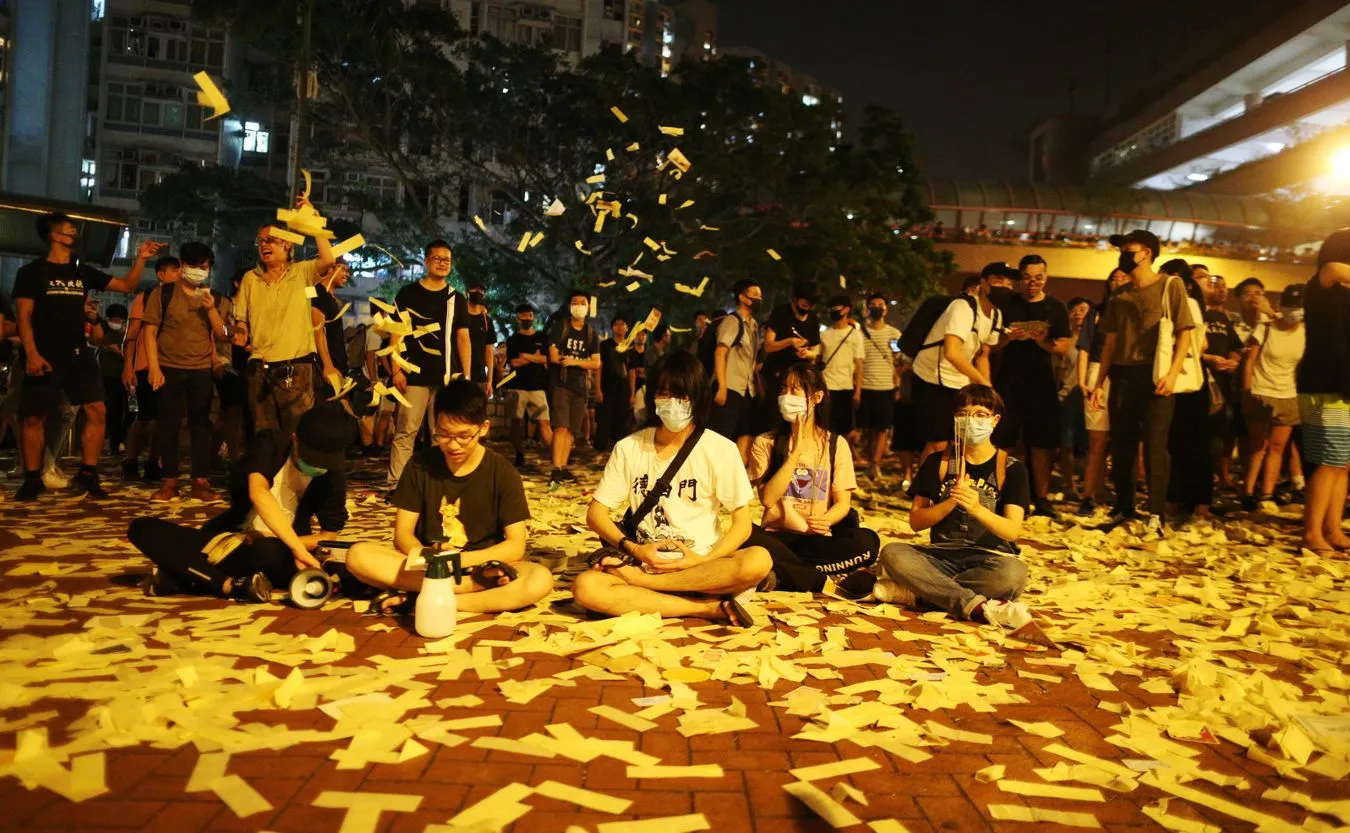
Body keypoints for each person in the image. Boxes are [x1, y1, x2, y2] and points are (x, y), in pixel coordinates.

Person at [573, 352, 771, 626]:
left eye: (682, 396)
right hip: (642, 561)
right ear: (653, 397)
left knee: (758, 560)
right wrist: (635, 550)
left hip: (701, 564)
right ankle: (706, 608)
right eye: (664, 394)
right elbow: (595, 514)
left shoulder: (720, 449)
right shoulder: (629, 448)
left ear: (698, 398)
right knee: (586, 587)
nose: (673, 404)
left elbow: (742, 523)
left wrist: (704, 559)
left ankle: (647, 589)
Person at [346, 380, 553, 614]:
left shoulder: (503, 473)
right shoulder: (419, 466)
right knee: (358, 556)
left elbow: (516, 545)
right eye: (443, 435)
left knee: (539, 578)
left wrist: (459, 561)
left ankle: (424, 601)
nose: (453, 445)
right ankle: (465, 591)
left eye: (464, 436)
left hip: (483, 566)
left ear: (483, 428)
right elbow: (403, 534)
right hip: (432, 567)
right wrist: (431, 559)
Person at [126, 405, 352, 602]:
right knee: (143, 528)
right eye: (312, 459)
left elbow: (329, 536)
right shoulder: (272, 444)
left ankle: (206, 581)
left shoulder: (331, 474)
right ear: (294, 440)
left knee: (272, 553)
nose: (317, 467)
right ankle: (215, 582)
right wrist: (261, 540)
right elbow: (258, 493)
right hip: (230, 539)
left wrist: (291, 544)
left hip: (279, 553)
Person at [11, 212, 163, 501]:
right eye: (69, 228)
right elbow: (24, 316)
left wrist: (141, 257)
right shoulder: (32, 272)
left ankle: (88, 474)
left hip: (78, 353)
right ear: (55, 235)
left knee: (97, 410)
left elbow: (127, 286)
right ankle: (32, 477)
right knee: (33, 417)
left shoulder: (82, 271)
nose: (74, 232)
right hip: (43, 352)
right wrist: (30, 353)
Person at [874, 384, 1031, 629]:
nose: (971, 421)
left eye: (980, 414)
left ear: (995, 420)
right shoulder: (939, 462)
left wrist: (977, 508)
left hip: (989, 558)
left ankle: (921, 594)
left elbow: (1012, 531)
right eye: (963, 414)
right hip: (940, 555)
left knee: (1013, 575)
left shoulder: (1010, 468)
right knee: (893, 553)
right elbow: (916, 522)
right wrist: (950, 502)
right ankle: (976, 606)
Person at [1089, 230, 1196, 533]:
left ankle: (1156, 512)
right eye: (1121, 249)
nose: (1123, 254)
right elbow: (1109, 342)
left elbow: (1185, 332)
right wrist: (1099, 382)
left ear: (1147, 252)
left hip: (1155, 374)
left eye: (1129, 249)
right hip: (1123, 375)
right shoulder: (1119, 297)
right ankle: (1124, 507)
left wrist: (1173, 373)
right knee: (1121, 445)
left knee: (1155, 446)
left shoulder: (1169, 287)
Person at [745, 362, 880, 598]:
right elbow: (767, 499)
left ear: (816, 397)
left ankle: (784, 575)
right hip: (777, 538)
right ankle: (819, 580)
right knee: (745, 534)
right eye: (784, 389)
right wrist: (794, 453)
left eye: (795, 390)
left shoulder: (836, 445)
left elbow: (842, 503)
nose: (786, 396)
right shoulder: (766, 442)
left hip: (816, 541)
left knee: (868, 542)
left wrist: (826, 520)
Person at [233, 204, 337, 436]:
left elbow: (329, 259)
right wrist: (240, 331)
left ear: (287, 244)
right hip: (259, 367)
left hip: (296, 367)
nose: (264, 246)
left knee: (297, 433)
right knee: (264, 433)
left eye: (271, 240)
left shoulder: (302, 272)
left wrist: (314, 221)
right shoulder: (251, 278)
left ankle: (294, 473)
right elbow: (242, 318)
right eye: (260, 241)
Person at [143, 241, 233, 502]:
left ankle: (200, 481)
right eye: (192, 265)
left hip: (201, 369)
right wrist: (153, 367)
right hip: (168, 367)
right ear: (182, 266)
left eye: (203, 267)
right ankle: (170, 481)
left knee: (201, 427)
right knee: (168, 426)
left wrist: (211, 310)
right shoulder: (163, 294)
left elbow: (225, 335)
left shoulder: (216, 298)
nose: (197, 271)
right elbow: (149, 331)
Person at [385, 240, 473, 493]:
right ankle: (396, 486)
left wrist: (464, 377)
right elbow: (396, 333)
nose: (443, 263)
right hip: (413, 374)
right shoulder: (408, 294)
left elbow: (463, 338)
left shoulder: (456, 298)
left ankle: (438, 485)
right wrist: (397, 370)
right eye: (437, 258)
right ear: (426, 261)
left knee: (444, 433)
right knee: (406, 430)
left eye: (447, 260)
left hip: (446, 377)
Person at [992, 255, 1071, 518]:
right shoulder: (1007, 304)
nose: (1032, 283)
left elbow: (1064, 346)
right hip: (1008, 381)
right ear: (1019, 279)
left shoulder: (1055, 307)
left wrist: (1041, 340)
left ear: (1046, 278)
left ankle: (1042, 497)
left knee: (1042, 443)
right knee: (1002, 440)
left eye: (1038, 277)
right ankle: (997, 491)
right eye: (1027, 277)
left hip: (1041, 383)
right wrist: (1008, 337)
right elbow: (991, 344)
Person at [910, 263, 1008, 466]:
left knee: (958, 442)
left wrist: (986, 389)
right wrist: (982, 382)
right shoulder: (963, 307)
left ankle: (949, 487)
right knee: (937, 442)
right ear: (983, 282)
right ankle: (926, 492)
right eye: (998, 279)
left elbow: (983, 355)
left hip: (958, 380)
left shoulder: (996, 315)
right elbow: (952, 352)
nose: (1004, 285)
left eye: (1008, 281)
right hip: (931, 377)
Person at [1297, 230, 1350, 553]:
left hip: (1344, 381)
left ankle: (1333, 528)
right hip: (1324, 380)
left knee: (1343, 462)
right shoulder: (1323, 281)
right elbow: (1333, 268)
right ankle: (1311, 532)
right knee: (1329, 460)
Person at [1242, 284, 1306, 510]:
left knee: (1278, 448)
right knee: (1258, 445)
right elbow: (1249, 362)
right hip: (1261, 391)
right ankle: (1248, 491)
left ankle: (1266, 494)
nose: (1295, 312)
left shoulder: (1306, 331)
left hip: (1288, 394)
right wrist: (1248, 391)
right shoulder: (1265, 328)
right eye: (1290, 306)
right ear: (1282, 306)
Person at [1159, 260, 1213, 519]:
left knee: (1184, 444)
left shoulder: (1186, 304)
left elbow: (1196, 343)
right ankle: (1193, 502)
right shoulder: (1187, 304)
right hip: (1186, 381)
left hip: (1182, 381)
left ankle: (1183, 501)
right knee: (1188, 444)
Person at [1075, 269, 1131, 514]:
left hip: (1126, 372)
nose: (1118, 282)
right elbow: (1084, 348)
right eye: (1114, 278)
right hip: (1097, 372)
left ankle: (1116, 495)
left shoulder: (1134, 311)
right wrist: (1082, 380)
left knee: (1122, 441)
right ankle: (1087, 495)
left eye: (1124, 278)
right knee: (1097, 441)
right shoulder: (1096, 312)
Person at [120, 255, 180, 483]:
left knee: (164, 419)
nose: (179, 274)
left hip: (172, 365)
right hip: (146, 366)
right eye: (174, 270)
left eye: (180, 270)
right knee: (145, 418)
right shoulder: (145, 298)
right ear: (161, 275)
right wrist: (128, 367)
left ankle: (153, 461)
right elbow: (132, 334)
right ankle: (131, 459)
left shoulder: (184, 298)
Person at [547, 289, 601, 486]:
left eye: (582, 303)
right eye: (575, 302)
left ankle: (563, 467)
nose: (579, 306)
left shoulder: (590, 333)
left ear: (588, 307)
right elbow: (553, 356)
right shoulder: (559, 328)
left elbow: (596, 363)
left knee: (571, 430)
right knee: (560, 426)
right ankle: (556, 468)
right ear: (569, 306)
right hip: (561, 384)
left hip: (580, 386)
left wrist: (574, 361)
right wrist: (575, 361)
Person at [710, 280, 762, 461]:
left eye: (760, 296)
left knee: (746, 433)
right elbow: (720, 353)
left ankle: (736, 475)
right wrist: (722, 387)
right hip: (730, 388)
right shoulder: (732, 321)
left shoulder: (754, 325)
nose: (759, 299)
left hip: (747, 389)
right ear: (742, 297)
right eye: (755, 295)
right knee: (721, 436)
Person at [1200, 274, 1242, 490]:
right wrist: (1209, 360)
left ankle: (1224, 476)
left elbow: (1235, 345)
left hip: (1224, 382)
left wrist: (1233, 359)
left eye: (1225, 287)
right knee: (1202, 433)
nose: (1222, 290)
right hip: (1203, 380)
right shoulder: (1199, 313)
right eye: (1215, 286)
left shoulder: (1225, 318)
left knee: (1225, 431)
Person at [761, 280, 821, 427]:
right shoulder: (781, 313)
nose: (807, 307)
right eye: (804, 302)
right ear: (795, 298)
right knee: (773, 419)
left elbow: (816, 351)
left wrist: (807, 354)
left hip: (800, 378)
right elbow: (768, 346)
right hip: (777, 375)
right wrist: (789, 342)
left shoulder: (813, 319)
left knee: (797, 421)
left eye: (811, 304)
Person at [858, 293, 902, 481]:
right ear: (867, 309)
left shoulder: (894, 334)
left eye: (880, 304)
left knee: (883, 428)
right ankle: (869, 461)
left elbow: (897, 360)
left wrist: (897, 385)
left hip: (886, 387)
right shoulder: (859, 333)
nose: (877, 307)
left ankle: (875, 463)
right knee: (865, 429)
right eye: (873, 304)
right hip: (865, 386)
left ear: (886, 309)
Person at [504, 304, 553, 466]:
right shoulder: (513, 340)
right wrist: (533, 357)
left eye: (530, 315)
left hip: (538, 386)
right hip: (516, 386)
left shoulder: (542, 337)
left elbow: (546, 359)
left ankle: (556, 453)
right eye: (524, 316)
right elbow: (514, 363)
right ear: (518, 318)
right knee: (516, 421)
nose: (527, 319)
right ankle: (519, 453)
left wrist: (525, 356)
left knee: (544, 421)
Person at [816, 295, 863, 440]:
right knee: (826, 426)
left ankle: (842, 459)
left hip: (845, 387)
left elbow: (859, 365)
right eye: (831, 307)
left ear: (846, 309)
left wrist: (857, 392)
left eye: (836, 307)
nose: (833, 310)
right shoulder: (824, 334)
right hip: (826, 386)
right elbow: (817, 357)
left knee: (845, 430)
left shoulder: (856, 335)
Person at [596, 314, 632, 452]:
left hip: (623, 388)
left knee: (622, 418)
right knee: (604, 418)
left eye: (622, 324)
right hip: (607, 387)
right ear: (612, 328)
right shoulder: (605, 345)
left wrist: (632, 393)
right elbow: (600, 366)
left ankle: (619, 448)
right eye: (616, 325)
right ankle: (600, 448)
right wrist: (598, 389)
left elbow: (632, 371)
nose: (619, 327)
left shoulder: (630, 346)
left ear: (627, 328)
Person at [97, 303, 129, 456]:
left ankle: (118, 441)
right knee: (111, 412)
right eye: (112, 319)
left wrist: (119, 351)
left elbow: (127, 354)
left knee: (128, 413)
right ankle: (109, 443)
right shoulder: (105, 332)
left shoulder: (128, 335)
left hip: (125, 377)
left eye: (118, 320)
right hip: (107, 377)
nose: (115, 323)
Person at [464, 278, 498, 398]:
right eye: (474, 289)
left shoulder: (487, 320)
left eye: (481, 290)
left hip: (479, 376)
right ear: (467, 292)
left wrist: (489, 381)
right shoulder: (459, 315)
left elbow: (489, 351)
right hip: (459, 374)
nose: (478, 292)